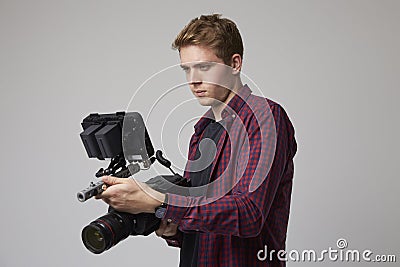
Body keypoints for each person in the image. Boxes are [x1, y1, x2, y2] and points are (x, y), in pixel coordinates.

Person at [97, 14, 297, 267]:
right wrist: (172, 228)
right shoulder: (202, 132)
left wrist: (160, 201)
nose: (193, 80)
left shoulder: (265, 118)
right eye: (186, 69)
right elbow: (204, 221)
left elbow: (248, 215)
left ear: (234, 64)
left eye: (204, 67)